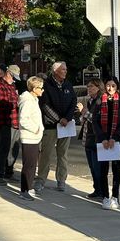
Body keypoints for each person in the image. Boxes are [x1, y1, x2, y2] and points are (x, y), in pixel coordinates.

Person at [36, 61, 76, 192]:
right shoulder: (47, 85)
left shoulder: (68, 85)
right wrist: (59, 119)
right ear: (55, 71)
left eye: (65, 69)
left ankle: (61, 180)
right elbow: (45, 106)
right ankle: (41, 180)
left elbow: (73, 103)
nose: (65, 71)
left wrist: (67, 118)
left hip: (66, 126)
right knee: (46, 154)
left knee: (63, 154)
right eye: (63, 69)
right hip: (51, 126)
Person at [92, 77, 120, 210]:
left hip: (117, 140)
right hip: (103, 140)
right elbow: (95, 121)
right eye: (108, 85)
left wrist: (115, 137)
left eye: (113, 86)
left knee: (116, 169)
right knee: (103, 170)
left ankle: (114, 196)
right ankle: (105, 196)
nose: (110, 88)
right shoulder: (100, 100)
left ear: (117, 87)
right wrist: (102, 137)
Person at [0, 64, 21, 185]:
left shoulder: (12, 86)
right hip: (4, 123)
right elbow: (1, 105)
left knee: (14, 149)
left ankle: (9, 172)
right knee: (3, 149)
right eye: (13, 76)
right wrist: (17, 102)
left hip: (15, 122)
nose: (14, 79)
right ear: (9, 73)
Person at [17, 76, 45, 201]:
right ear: (34, 88)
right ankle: (25, 190)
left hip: (34, 138)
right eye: (41, 88)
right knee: (29, 165)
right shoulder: (27, 100)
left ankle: (28, 187)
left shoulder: (33, 99)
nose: (42, 90)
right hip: (29, 137)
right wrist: (36, 129)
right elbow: (23, 119)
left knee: (32, 165)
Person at [78, 78, 105, 200]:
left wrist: (84, 112)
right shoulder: (90, 101)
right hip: (88, 137)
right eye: (88, 87)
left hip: (96, 138)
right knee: (92, 167)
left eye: (92, 87)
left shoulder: (100, 101)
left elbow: (97, 119)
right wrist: (82, 116)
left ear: (98, 87)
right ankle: (96, 189)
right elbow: (85, 119)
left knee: (97, 166)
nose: (89, 89)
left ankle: (101, 191)